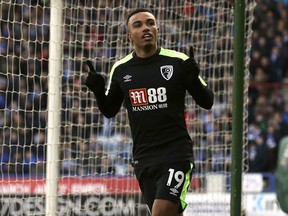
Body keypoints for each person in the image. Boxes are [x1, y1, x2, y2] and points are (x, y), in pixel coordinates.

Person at [84, 8, 214, 216]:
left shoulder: (178, 61)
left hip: (175, 154)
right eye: (138, 25)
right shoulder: (121, 69)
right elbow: (109, 110)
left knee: (160, 212)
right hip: (144, 158)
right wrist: (99, 90)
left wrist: (193, 81)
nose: (146, 28)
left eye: (150, 23)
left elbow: (207, 102)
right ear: (129, 36)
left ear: (157, 29)